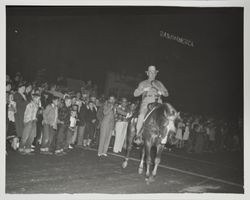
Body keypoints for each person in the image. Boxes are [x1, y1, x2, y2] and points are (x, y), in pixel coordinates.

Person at [133, 65, 169, 144]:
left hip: (158, 103)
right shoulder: (143, 83)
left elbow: (167, 94)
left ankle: (164, 136)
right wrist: (143, 89)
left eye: (153, 72)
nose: (152, 74)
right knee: (141, 116)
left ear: (155, 74)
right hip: (147, 102)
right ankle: (138, 135)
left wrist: (162, 92)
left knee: (167, 118)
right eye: (150, 72)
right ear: (147, 73)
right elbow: (135, 94)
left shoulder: (159, 83)